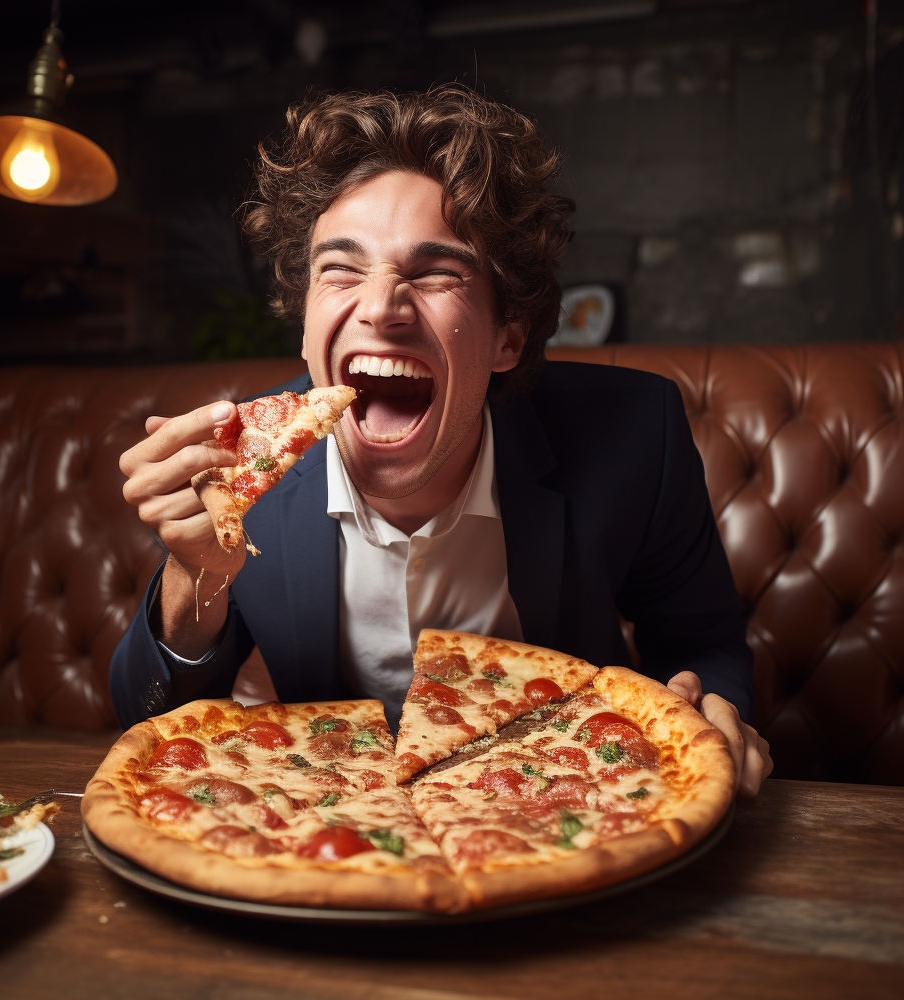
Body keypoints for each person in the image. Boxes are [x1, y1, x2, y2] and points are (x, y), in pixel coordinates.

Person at [111, 85, 772, 796]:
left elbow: (704, 644)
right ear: (304, 321)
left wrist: (708, 710)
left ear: (507, 335)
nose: (381, 306)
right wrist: (197, 574)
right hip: (332, 834)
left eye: (434, 272)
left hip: (561, 807)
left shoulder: (637, 432)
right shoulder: (245, 463)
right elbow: (150, 719)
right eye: (341, 270)